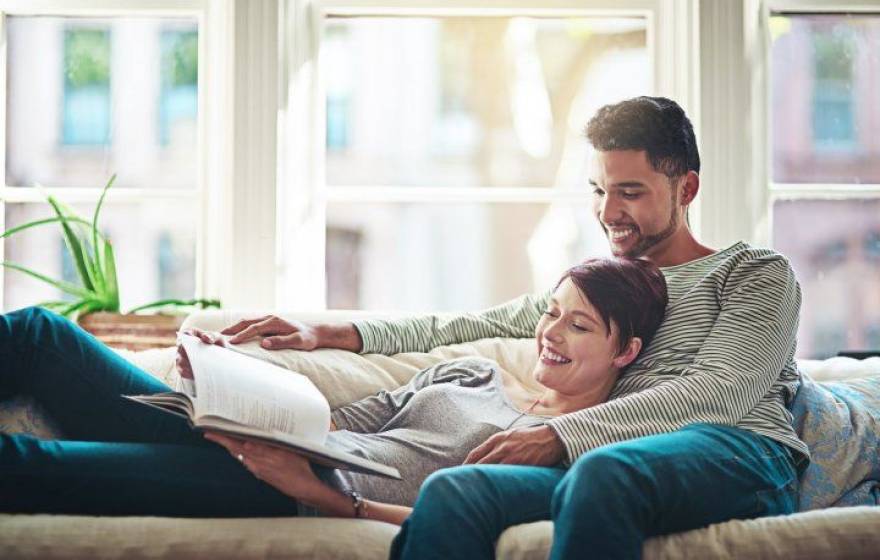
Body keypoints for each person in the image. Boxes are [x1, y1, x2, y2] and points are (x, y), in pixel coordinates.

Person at [223, 96, 807, 559]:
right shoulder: (607, 288)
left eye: (631, 192)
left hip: (736, 452)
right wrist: (330, 333)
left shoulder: (752, 272)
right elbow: (470, 323)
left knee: (606, 470)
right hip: (602, 466)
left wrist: (558, 436)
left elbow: (721, 390)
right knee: (457, 489)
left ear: (687, 189)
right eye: (600, 191)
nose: (608, 214)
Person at [0, 257, 667, 522]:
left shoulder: (572, 453)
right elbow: (336, 417)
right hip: (253, 443)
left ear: (625, 350)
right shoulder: (475, 373)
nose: (551, 333)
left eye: (579, 325)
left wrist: (317, 493)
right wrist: (224, 381)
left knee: (36, 467)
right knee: (40, 334)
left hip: (278, 487)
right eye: (552, 313)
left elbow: (461, 520)